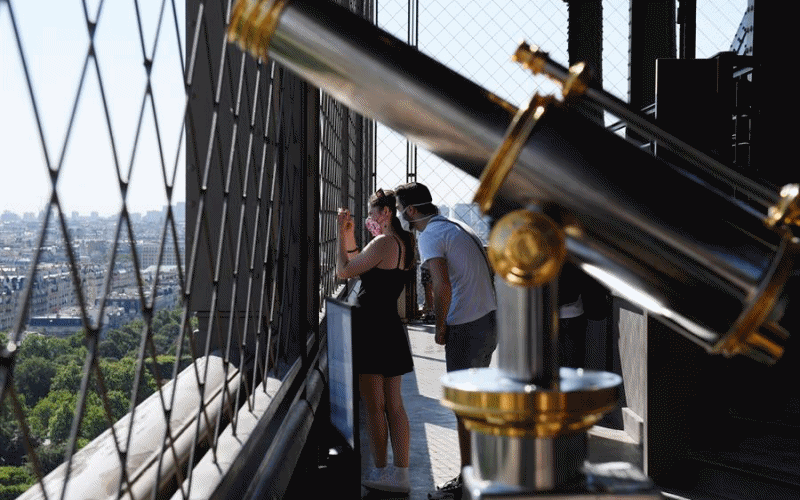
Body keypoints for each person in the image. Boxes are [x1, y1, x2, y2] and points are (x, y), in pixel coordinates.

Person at [394, 182, 497, 500]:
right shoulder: (456, 225)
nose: (399, 215)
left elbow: (441, 285)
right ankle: (483, 472)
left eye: (399, 209)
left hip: (466, 326)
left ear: (411, 211)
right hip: (488, 320)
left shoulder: (430, 236)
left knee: (464, 408)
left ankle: (466, 484)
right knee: (477, 405)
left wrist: (440, 328)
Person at [336, 188, 415, 494]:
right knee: (395, 405)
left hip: (371, 330)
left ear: (385, 213)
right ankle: (402, 473)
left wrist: (337, 236)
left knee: (373, 405)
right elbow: (364, 267)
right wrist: (351, 238)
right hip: (390, 328)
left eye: (371, 213)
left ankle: (381, 472)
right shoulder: (403, 244)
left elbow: (344, 272)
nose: (369, 218)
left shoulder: (383, 242)